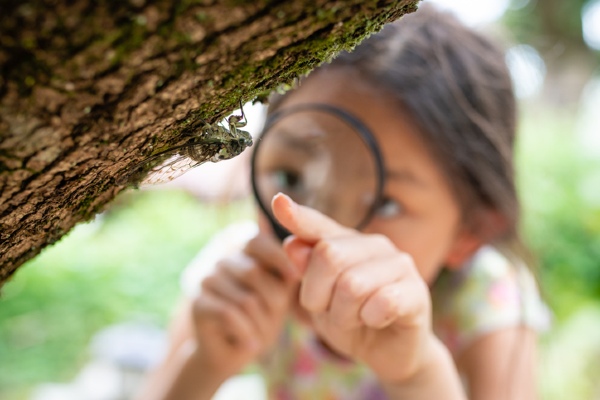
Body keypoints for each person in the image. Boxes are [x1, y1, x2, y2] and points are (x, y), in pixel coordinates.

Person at [137, 5, 549, 400]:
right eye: (291, 178)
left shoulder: (485, 297)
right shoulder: (236, 273)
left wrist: (417, 375)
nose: (321, 235)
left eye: (385, 204)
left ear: (471, 232)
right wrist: (207, 361)